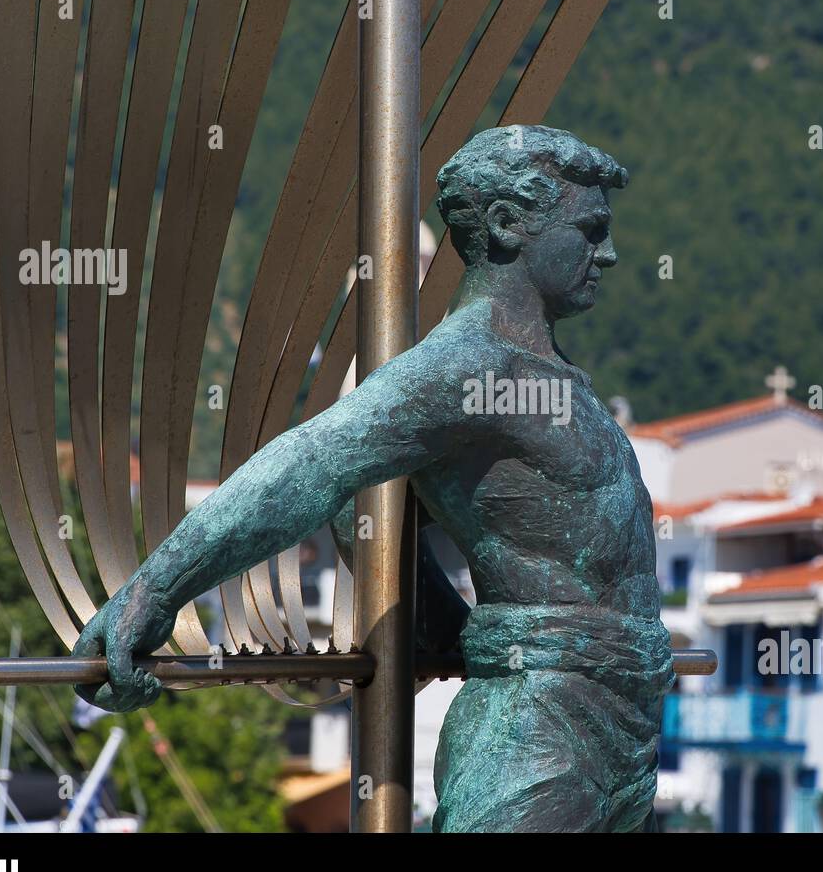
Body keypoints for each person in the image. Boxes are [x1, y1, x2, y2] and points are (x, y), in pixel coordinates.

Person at [74, 126, 674, 831]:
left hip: (626, 721)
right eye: (591, 229)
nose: (608, 253)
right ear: (510, 226)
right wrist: (156, 590)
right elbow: (311, 466)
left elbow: (372, 503)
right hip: (542, 728)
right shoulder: (467, 366)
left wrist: (440, 614)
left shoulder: (557, 376)